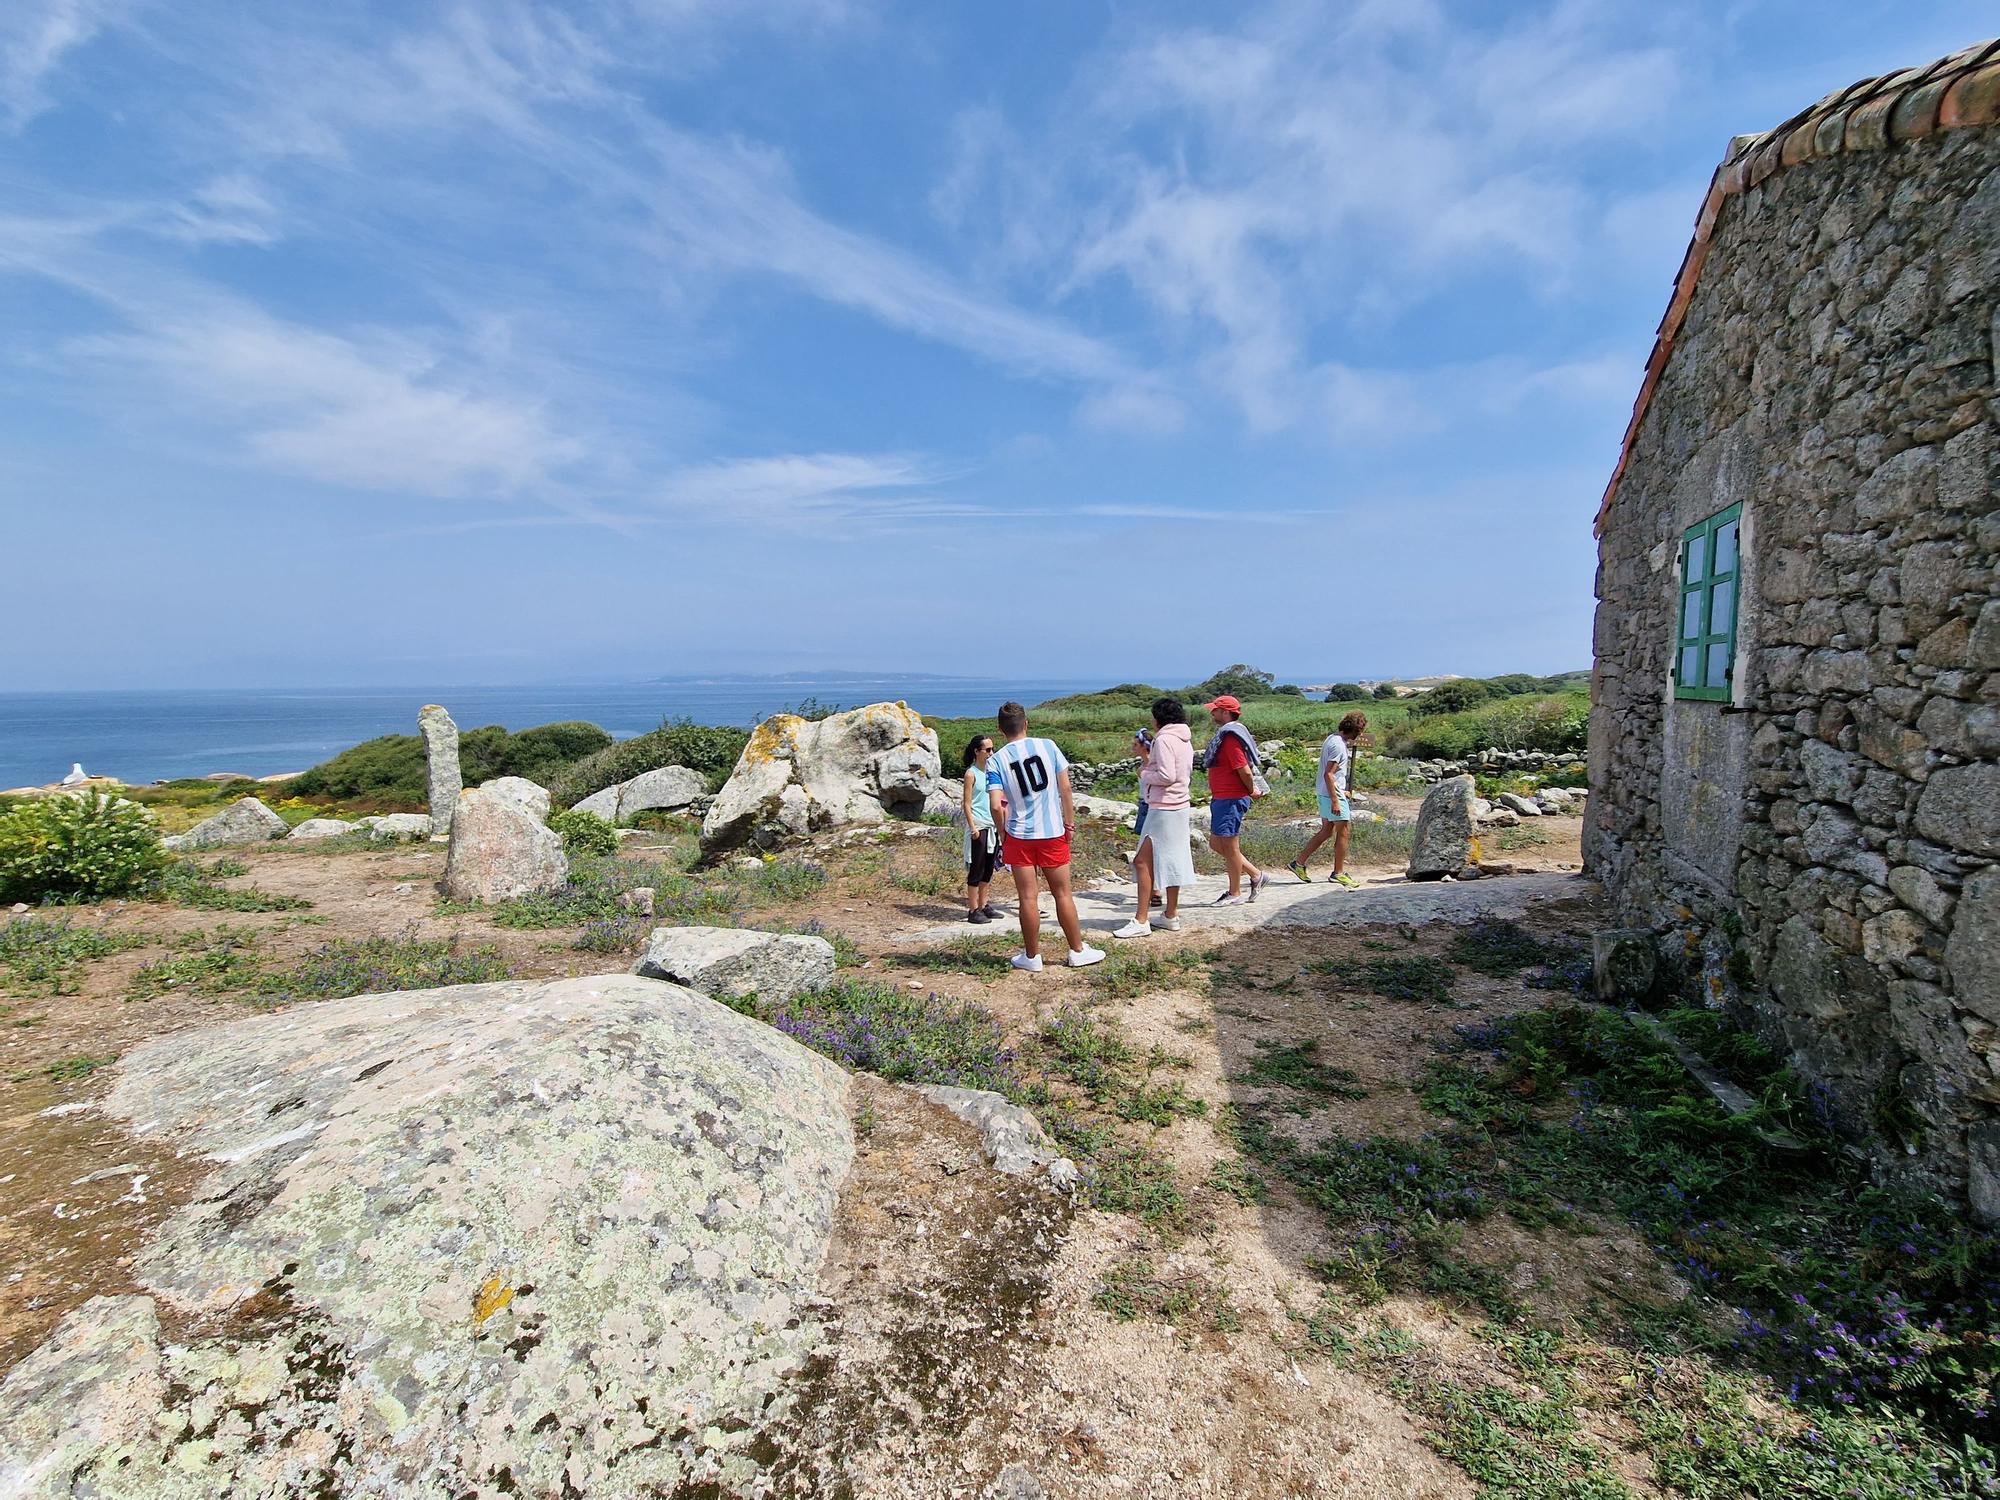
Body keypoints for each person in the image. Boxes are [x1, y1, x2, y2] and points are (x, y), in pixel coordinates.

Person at [990, 701, 1105, 971]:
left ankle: (1031, 957)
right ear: (1026, 723)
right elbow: (1065, 789)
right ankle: (1077, 950)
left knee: (1027, 898)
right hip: (1052, 831)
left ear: (1000, 730)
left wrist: (1003, 832)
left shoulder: (997, 761)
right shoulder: (1048, 746)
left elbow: (996, 805)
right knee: (1062, 894)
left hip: (1018, 835)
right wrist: (1069, 824)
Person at [1115, 698, 1194, 939]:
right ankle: (1170, 915)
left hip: (1164, 808)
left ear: (1159, 718)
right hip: (1179, 806)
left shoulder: (1163, 740)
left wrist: (1144, 773)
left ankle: (1141, 920)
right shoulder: (1184, 739)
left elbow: (1166, 775)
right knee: (1172, 860)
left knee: (1142, 862)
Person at [1201, 695, 1269, 905]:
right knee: (1216, 843)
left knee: (1230, 848)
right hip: (1222, 797)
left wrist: (1251, 790)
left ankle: (1234, 893)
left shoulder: (1230, 738)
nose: (1212, 713)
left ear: (1225, 712)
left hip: (1231, 797)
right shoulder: (1229, 734)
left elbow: (1244, 770)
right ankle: (1257, 875)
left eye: (1215, 710)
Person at [1291, 711, 1366, 888]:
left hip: (1325, 792)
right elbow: (1329, 774)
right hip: (1332, 794)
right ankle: (1338, 873)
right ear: (1356, 731)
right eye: (1360, 732)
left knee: (1326, 830)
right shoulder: (1339, 746)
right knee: (1344, 831)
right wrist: (1336, 800)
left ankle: (1298, 863)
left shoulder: (1332, 738)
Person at [960, 734, 1005, 922]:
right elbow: (967, 803)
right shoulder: (971, 774)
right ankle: (972, 910)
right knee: (976, 869)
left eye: (992, 749)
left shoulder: (992, 772)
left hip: (992, 825)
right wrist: (973, 827)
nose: (991, 753)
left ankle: (983, 904)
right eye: (987, 750)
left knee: (988, 868)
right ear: (977, 751)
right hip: (979, 825)